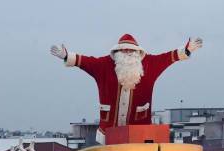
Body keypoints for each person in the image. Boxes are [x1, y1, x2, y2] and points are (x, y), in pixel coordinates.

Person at [51, 33, 203, 144]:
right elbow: (85, 61)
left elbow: (168, 57)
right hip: (108, 135)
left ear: (138, 52)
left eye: (131, 50)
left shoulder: (150, 65)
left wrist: (186, 50)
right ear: (117, 52)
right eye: (124, 50)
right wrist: (66, 56)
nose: (128, 53)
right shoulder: (103, 66)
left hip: (139, 137)